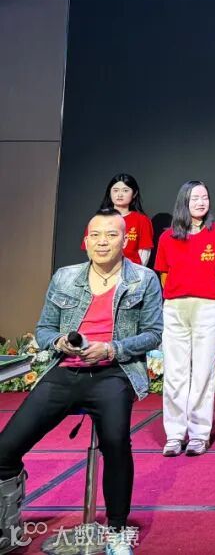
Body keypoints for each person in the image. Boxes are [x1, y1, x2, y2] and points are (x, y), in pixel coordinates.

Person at [0, 209, 163, 555]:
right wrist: (60, 342)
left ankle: (117, 531)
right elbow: (44, 330)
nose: (103, 242)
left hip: (113, 373)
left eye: (111, 235)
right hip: (65, 372)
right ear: (86, 241)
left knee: (116, 443)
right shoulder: (64, 277)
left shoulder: (144, 279)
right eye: (96, 236)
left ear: (125, 241)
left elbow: (153, 334)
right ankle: (7, 526)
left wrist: (111, 348)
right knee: (4, 450)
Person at [155, 181, 215, 457]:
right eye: (195, 198)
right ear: (183, 202)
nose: (201, 202)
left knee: (203, 372)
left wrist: (206, 292)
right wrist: (181, 293)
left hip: (207, 307)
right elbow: (164, 274)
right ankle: (174, 435)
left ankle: (199, 434)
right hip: (175, 307)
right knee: (175, 372)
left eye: (205, 197)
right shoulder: (167, 237)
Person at [80, 173, 154, 266]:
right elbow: (90, 248)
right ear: (109, 193)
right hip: (104, 270)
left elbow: (145, 251)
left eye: (125, 190)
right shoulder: (98, 219)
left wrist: (136, 272)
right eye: (115, 190)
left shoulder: (142, 220)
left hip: (131, 270)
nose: (119, 195)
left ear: (134, 194)